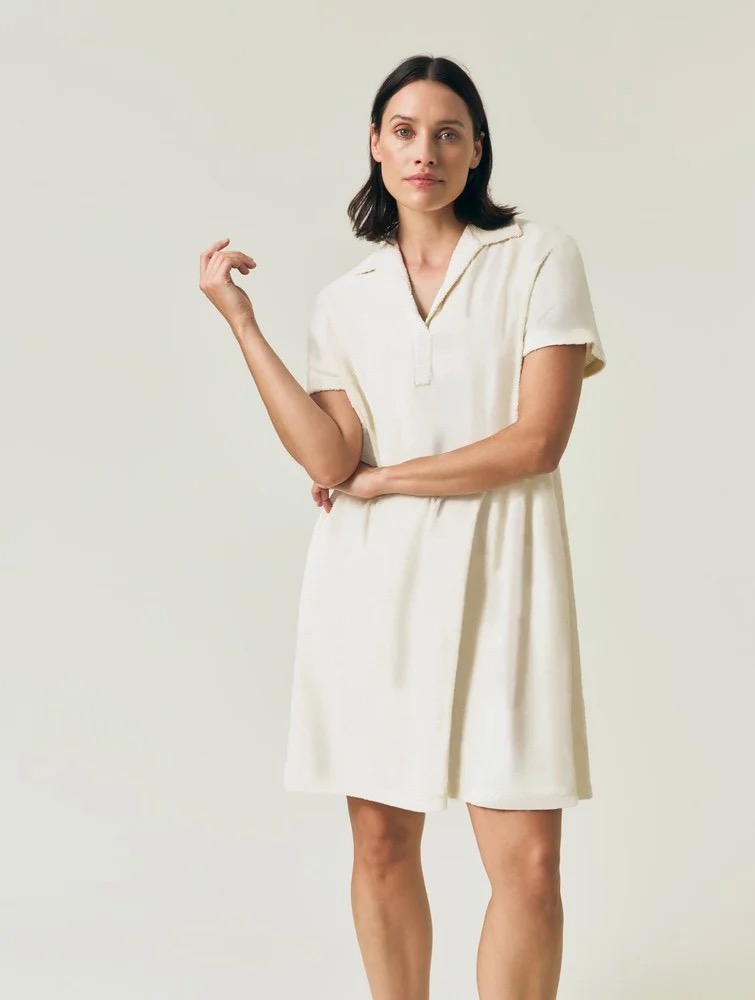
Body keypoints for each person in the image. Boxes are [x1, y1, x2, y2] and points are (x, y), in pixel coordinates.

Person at [199, 52, 606, 1000]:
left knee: (530, 869)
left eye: (449, 132)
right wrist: (242, 323)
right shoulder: (346, 301)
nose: (427, 150)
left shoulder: (538, 257)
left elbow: (537, 441)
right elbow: (328, 459)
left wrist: (385, 482)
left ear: (477, 151)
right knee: (381, 844)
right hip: (374, 593)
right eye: (407, 131)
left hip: (508, 585)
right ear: (377, 148)